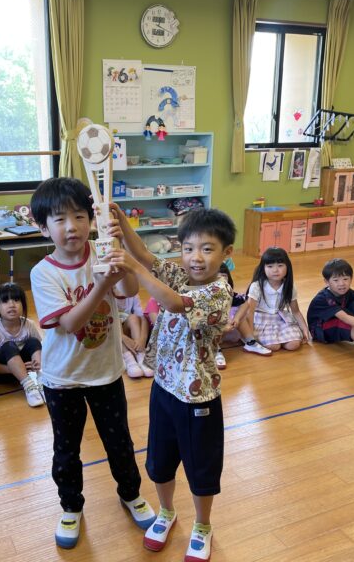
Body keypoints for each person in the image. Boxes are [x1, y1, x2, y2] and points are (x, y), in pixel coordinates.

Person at [29, 177, 155, 549]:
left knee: (119, 442)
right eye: (60, 219)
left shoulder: (103, 253)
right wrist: (102, 283)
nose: (72, 227)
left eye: (80, 216)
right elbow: (69, 323)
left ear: (92, 219)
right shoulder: (43, 272)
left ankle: (131, 494)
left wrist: (120, 257)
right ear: (43, 227)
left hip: (105, 373)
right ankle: (71, 507)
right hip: (61, 378)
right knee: (66, 449)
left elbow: (130, 291)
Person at [109, 205, 235, 562]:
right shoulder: (179, 274)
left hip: (199, 399)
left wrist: (132, 268)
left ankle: (203, 524)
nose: (196, 257)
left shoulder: (218, 291)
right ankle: (166, 512)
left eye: (207, 249)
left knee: (201, 468)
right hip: (164, 387)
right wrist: (121, 224)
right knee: (160, 462)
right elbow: (147, 257)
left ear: (226, 253)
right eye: (189, 248)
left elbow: (174, 303)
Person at [233, 247, 310, 352]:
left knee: (293, 345)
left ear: (287, 267)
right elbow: (250, 312)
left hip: (281, 318)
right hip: (261, 319)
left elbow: (295, 311)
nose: (275, 270)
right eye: (270, 266)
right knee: (274, 346)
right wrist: (250, 336)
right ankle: (273, 340)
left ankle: (282, 338)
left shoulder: (290, 286)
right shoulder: (257, 286)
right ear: (263, 268)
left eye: (280, 265)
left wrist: (305, 329)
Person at [0, 282, 45, 407]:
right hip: (4, 374)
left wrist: (35, 363)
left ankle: (41, 378)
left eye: (16, 300)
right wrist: (10, 369)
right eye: (5, 301)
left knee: (34, 341)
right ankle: (29, 386)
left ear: (23, 305)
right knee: (8, 346)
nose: (11, 305)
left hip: (26, 369)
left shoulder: (29, 324)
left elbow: (40, 348)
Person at [214, 261, 267, 368]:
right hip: (215, 331)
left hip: (232, 328)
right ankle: (215, 349)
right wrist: (224, 324)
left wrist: (236, 319)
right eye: (217, 277)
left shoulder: (230, 294)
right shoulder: (206, 297)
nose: (222, 280)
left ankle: (250, 342)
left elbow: (245, 303)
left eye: (224, 276)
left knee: (239, 314)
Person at [117, 295, 154, 378]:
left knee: (133, 317)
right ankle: (128, 359)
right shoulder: (108, 294)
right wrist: (123, 337)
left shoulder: (132, 293)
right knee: (116, 320)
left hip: (130, 334)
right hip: (114, 335)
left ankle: (141, 355)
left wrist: (142, 340)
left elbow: (143, 318)